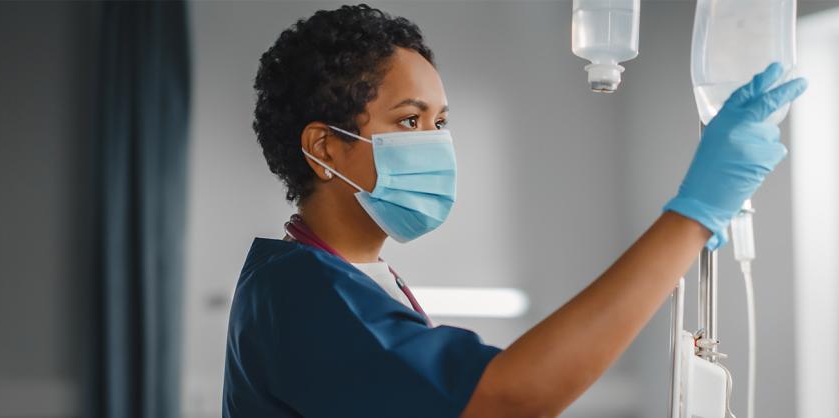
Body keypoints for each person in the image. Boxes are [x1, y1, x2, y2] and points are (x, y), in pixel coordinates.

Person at [222, 4, 807, 417]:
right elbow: (506, 398)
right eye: (409, 121)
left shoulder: (352, 280)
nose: (436, 142)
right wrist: (693, 216)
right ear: (324, 148)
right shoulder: (300, 295)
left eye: (441, 122)